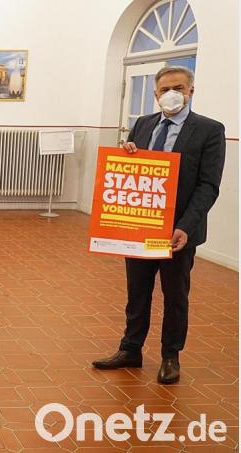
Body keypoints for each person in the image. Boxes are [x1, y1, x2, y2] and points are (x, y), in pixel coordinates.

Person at [92, 66, 226, 384]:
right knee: (137, 292)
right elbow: (132, 164)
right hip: (140, 230)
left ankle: (170, 356)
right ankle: (130, 349)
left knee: (174, 295)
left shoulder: (209, 130)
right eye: (164, 89)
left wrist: (186, 227)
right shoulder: (143, 124)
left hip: (176, 234)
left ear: (191, 90)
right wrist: (127, 152)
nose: (171, 94)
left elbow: (208, 185)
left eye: (178, 87)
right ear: (155, 94)